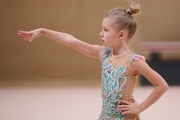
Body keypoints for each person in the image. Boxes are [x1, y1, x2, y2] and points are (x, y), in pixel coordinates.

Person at [17, 3, 168, 120]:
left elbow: (162, 85)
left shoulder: (134, 61)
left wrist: (140, 107)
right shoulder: (103, 54)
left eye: (105, 30)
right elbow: (71, 40)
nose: (100, 33)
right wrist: (43, 31)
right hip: (105, 116)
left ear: (121, 34)